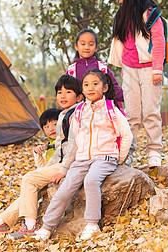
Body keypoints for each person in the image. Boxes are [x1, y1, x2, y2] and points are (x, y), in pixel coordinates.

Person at [0, 75, 83, 240]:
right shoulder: (63, 115)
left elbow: (74, 148)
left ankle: (30, 226)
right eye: (59, 92)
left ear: (79, 97)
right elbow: (60, 148)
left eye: (68, 92)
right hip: (61, 162)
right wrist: (45, 167)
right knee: (30, 188)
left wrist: (63, 170)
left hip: (71, 165)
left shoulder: (76, 115)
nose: (62, 95)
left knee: (29, 180)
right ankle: (1, 221)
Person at [34, 69, 132, 241]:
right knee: (65, 188)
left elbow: (127, 135)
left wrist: (120, 158)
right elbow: (76, 141)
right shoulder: (79, 111)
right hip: (82, 159)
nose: (90, 88)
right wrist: (66, 167)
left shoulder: (111, 109)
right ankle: (46, 227)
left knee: (91, 180)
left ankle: (92, 224)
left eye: (95, 84)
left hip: (105, 157)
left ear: (105, 87)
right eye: (86, 84)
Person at [108, 0, 165, 168]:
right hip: (129, 70)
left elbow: (159, 42)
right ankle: (127, 153)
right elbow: (121, 44)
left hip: (150, 69)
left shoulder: (150, 13)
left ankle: (154, 151)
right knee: (131, 115)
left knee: (150, 111)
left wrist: (158, 69)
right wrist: (123, 68)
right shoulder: (121, 15)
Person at [66, 28, 124, 104]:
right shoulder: (71, 71)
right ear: (76, 46)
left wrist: (129, 97)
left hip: (102, 112)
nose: (86, 47)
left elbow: (114, 88)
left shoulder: (102, 68)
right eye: (83, 44)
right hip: (78, 112)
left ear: (96, 47)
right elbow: (66, 92)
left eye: (91, 44)